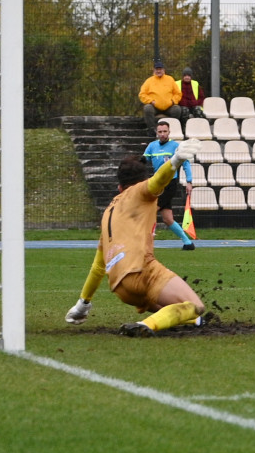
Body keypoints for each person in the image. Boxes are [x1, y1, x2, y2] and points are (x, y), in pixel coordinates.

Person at [64, 139, 206, 336]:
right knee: (195, 306)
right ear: (141, 180)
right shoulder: (140, 191)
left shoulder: (108, 213)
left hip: (121, 287)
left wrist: (83, 303)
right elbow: (158, 181)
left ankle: (190, 321)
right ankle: (146, 326)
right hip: (141, 269)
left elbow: (98, 266)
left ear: (119, 186)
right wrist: (175, 161)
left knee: (191, 318)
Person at [144, 119, 196, 250]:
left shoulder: (175, 147)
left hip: (170, 184)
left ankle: (148, 241)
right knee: (167, 219)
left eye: (164, 131)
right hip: (157, 184)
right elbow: (143, 161)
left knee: (150, 210)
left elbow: (186, 164)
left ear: (169, 132)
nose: (162, 134)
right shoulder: (152, 146)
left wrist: (189, 181)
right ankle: (188, 243)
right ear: (156, 132)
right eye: (160, 131)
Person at [138, 59, 183, 132]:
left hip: (169, 107)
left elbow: (178, 93)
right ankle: (152, 130)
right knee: (147, 108)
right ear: (154, 70)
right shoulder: (149, 81)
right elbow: (142, 94)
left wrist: (173, 101)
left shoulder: (170, 79)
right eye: (157, 69)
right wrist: (150, 101)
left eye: (160, 69)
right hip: (154, 107)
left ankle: (172, 129)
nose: (158, 71)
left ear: (164, 70)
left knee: (177, 109)